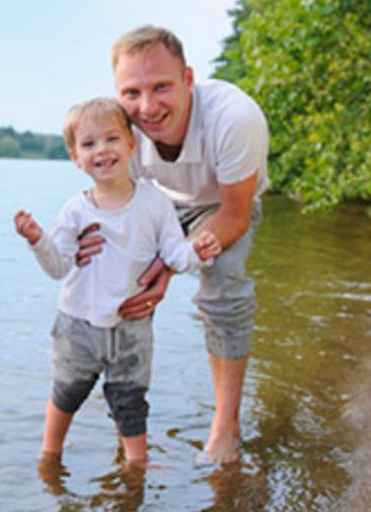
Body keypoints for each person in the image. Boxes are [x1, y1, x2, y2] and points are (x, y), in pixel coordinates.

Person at [88, 25, 270, 465]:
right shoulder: (118, 126)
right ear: (117, 92)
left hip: (221, 205)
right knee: (118, 282)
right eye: (132, 93)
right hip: (159, 205)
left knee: (224, 284)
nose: (147, 107)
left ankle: (225, 425)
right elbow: (114, 204)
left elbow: (236, 214)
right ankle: (127, 424)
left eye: (162, 87)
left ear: (188, 79)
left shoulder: (234, 119)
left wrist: (169, 267)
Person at [14, 98, 221, 466]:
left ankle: (136, 464)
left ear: (131, 144)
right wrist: (37, 240)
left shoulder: (155, 202)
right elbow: (59, 267)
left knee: (130, 397)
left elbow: (174, 252)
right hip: (78, 321)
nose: (102, 150)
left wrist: (198, 251)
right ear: (75, 157)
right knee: (68, 391)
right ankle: (50, 455)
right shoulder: (75, 210)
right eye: (89, 144)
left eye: (111, 139)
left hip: (132, 324)